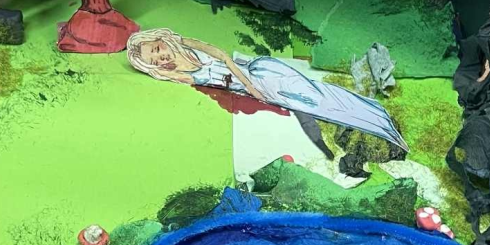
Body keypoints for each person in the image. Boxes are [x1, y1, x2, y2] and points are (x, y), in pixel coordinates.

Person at [126, 26, 407, 151]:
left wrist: (251, 87)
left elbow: (224, 57)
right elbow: (206, 82)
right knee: (318, 104)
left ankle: (377, 118)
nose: (161, 57)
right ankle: (379, 123)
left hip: (262, 75)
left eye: (158, 49)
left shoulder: (188, 46)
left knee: (317, 98)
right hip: (258, 87)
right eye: (154, 60)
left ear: (164, 40)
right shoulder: (182, 76)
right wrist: (162, 72)